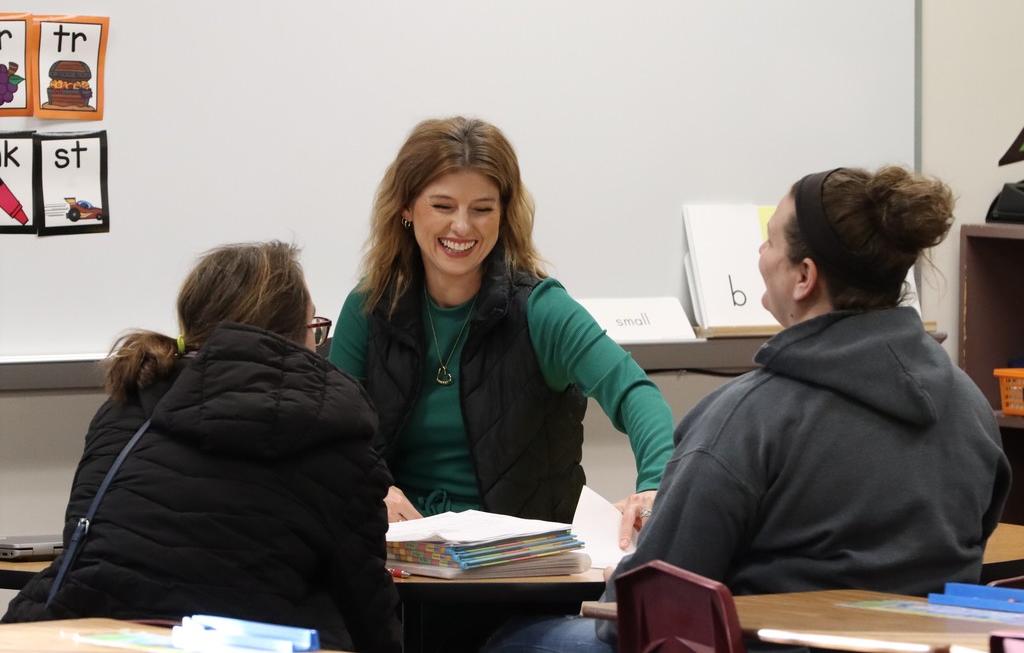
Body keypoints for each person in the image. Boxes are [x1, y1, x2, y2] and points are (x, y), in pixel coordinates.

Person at [482, 165, 1013, 653]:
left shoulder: (747, 419)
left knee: (512, 639)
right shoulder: (970, 406)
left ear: (804, 277)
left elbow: (639, 608)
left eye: (769, 241)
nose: (760, 253)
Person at [3, 241, 402, 653]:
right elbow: (366, 604)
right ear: (292, 338)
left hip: (82, 635)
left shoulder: (125, 409)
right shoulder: (335, 433)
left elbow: (83, 538)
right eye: (312, 328)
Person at [329, 116, 674, 543]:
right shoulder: (367, 307)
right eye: (442, 206)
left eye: (482, 209)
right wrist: (370, 486)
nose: (462, 227)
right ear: (405, 207)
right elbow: (331, 435)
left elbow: (635, 392)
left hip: (520, 565)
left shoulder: (541, 309)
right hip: (399, 559)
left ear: (504, 214)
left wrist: (656, 486)